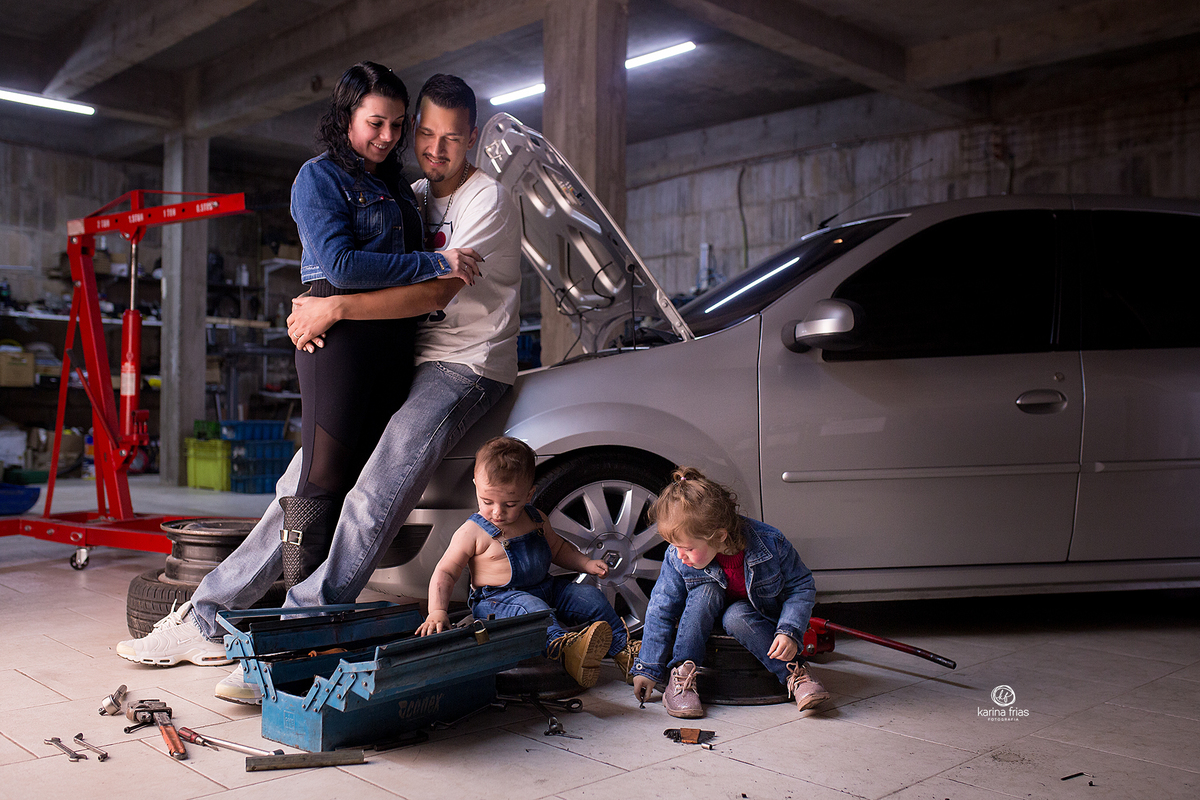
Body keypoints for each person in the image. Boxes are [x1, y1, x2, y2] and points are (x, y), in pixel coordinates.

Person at [116, 74, 521, 706]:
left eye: (452, 138)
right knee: (302, 483)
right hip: (407, 358)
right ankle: (204, 618)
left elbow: (437, 291)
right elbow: (348, 265)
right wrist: (324, 306)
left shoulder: (487, 198)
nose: (434, 149)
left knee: (379, 479)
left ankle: (297, 631)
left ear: (472, 139)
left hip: (465, 366)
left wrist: (331, 312)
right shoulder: (409, 193)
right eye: (427, 134)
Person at [282, 61, 479, 588]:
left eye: (397, 125)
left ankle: (333, 605)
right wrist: (438, 262)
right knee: (323, 479)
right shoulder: (318, 177)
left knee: (364, 482)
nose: (388, 137)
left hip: (393, 338)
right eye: (376, 123)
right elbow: (343, 265)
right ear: (348, 116)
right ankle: (295, 617)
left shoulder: (394, 185)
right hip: (339, 338)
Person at [415, 437, 638, 688]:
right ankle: (565, 650)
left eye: (510, 504)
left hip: (545, 587)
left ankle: (625, 652)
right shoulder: (472, 532)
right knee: (533, 609)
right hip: (498, 600)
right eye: (487, 502)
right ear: (476, 486)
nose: (498, 512)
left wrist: (585, 563)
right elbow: (446, 571)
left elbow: (558, 549)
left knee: (590, 597)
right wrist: (436, 611)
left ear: (528, 494)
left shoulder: (536, 518)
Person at [631, 466, 830, 718]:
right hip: (698, 621)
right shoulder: (678, 557)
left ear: (720, 536)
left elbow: (800, 586)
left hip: (753, 620)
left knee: (735, 614)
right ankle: (682, 676)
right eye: (674, 546)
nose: (680, 555)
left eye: (688, 548)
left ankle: (794, 673)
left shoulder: (771, 543)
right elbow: (662, 607)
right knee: (707, 591)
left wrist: (789, 630)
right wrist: (647, 668)